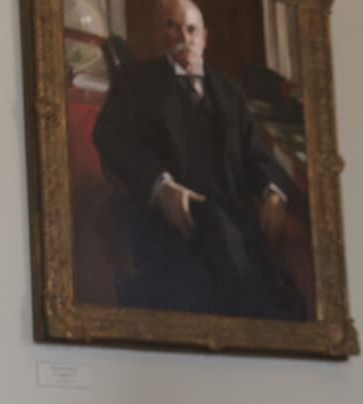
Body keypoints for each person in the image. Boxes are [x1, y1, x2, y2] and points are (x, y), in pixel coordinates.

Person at [92, 0, 303, 320]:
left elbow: (256, 155)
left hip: (236, 221)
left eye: (191, 29)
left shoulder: (230, 93)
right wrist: (161, 187)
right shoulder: (137, 83)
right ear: (159, 34)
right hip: (170, 222)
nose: (183, 36)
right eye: (171, 26)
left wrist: (273, 192)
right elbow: (112, 140)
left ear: (203, 36)